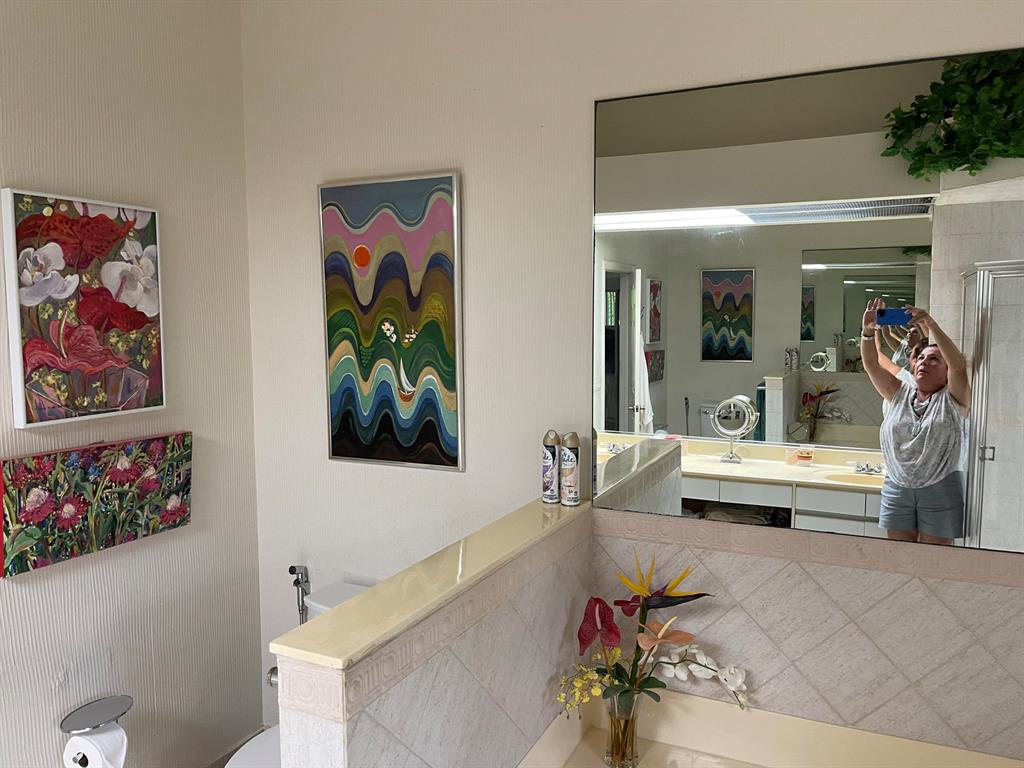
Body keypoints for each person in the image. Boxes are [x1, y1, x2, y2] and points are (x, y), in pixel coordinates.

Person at [860, 298, 971, 545]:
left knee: (934, 560)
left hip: (940, 486)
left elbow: (959, 367)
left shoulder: (953, 398)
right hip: (897, 485)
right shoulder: (898, 391)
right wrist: (867, 332)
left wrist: (930, 324)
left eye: (934, 359)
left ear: (946, 373)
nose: (924, 362)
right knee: (898, 557)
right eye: (921, 358)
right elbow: (871, 364)